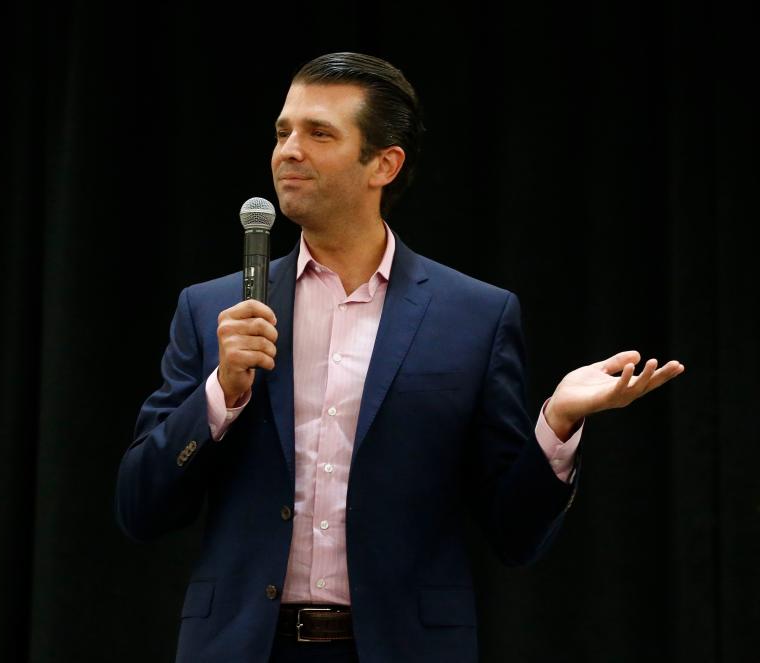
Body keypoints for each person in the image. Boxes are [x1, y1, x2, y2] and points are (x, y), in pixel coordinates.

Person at [115, 52, 684, 663]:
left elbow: (514, 533)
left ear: (383, 164)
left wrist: (558, 424)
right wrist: (220, 394)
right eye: (283, 132)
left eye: (319, 133)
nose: (288, 150)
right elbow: (140, 508)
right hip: (240, 646)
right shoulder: (213, 311)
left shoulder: (474, 316)